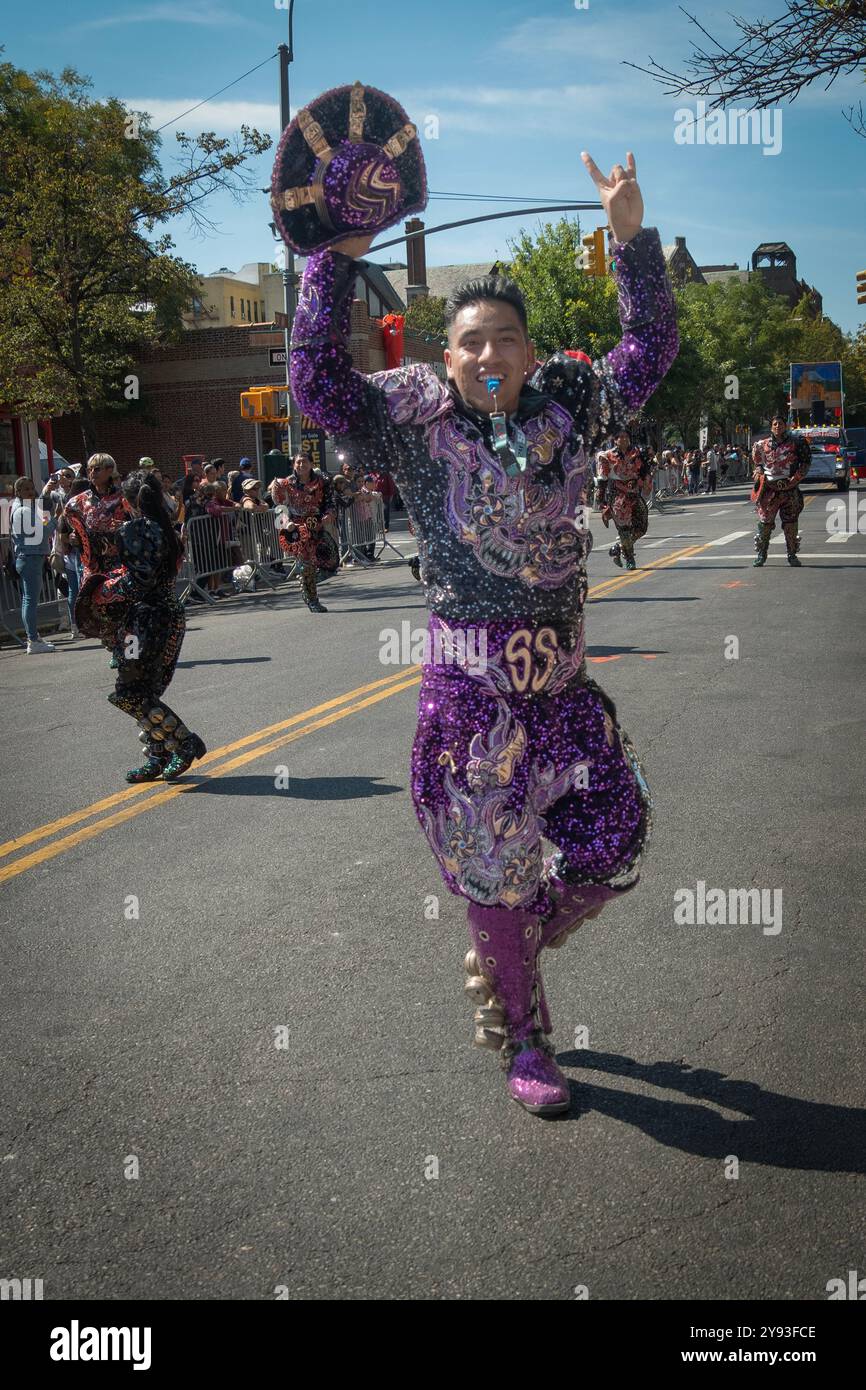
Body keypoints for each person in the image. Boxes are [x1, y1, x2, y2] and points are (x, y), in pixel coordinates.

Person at [289, 138, 677, 1115]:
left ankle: (501, 937)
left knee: (612, 846)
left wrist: (629, 243)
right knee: (494, 874)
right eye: (469, 340)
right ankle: (526, 1036)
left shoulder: (569, 404)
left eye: (505, 336)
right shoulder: (413, 417)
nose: (488, 353)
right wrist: (331, 256)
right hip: (469, 698)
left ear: (529, 350)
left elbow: (649, 350)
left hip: (563, 690)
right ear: (446, 357)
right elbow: (316, 387)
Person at [99, 469, 206, 782]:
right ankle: (157, 756)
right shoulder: (165, 527)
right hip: (166, 614)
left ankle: (184, 742)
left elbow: (138, 580)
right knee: (145, 692)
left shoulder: (138, 529)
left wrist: (106, 589)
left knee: (129, 691)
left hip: (145, 621)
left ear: (130, 502)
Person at [63, 454, 133, 648]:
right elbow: (68, 531)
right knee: (100, 610)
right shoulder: (78, 502)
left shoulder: (123, 498)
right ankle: (115, 648)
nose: (92, 473)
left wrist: (125, 526)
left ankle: (130, 652)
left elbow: (139, 525)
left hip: (121, 561)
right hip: (94, 565)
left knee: (124, 606)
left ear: (110, 470)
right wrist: (73, 538)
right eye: (90, 469)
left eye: (97, 469)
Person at [270, 454, 337, 612]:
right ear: (294, 465)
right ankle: (311, 599)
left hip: (317, 526)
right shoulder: (285, 484)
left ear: (311, 464)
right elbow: (279, 508)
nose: (301, 465)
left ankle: (306, 580)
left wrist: (329, 513)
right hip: (298, 530)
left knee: (332, 562)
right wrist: (287, 523)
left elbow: (330, 502)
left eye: (304, 462)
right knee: (306, 565)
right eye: (298, 462)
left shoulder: (323, 481)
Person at [751, 415, 811, 567]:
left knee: (790, 523)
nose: (778, 426)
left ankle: (792, 555)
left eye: (781, 423)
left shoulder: (797, 442)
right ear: (771, 427)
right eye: (775, 424)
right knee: (765, 523)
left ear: (786, 425)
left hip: (789, 490)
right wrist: (758, 473)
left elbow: (805, 463)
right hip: (769, 491)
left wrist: (795, 479)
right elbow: (758, 463)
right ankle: (761, 554)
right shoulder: (761, 445)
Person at [10, 475, 58, 653]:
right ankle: (33, 640)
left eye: (31, 488)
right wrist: (56, 519)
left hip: (27, 558)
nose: (30, 491)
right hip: (30, 558)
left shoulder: (20, 507)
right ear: (18, 492)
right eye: (26, 489)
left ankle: (33, 637)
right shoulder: (23, 510)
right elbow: (43, 533)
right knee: (30, 601)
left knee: (27, 601)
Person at [596, 429, 653, 570]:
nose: (623, 439)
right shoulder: (607, 456)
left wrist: (646, 483)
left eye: (626, 436)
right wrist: (600, 499)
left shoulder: (636, 453)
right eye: (620, 437)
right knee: (625, 529)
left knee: (641, 526)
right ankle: (629, 558)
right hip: (617, 496)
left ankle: (618, 547)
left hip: (634, 493)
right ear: (615, 440)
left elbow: (644, 471)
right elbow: (602, 479)